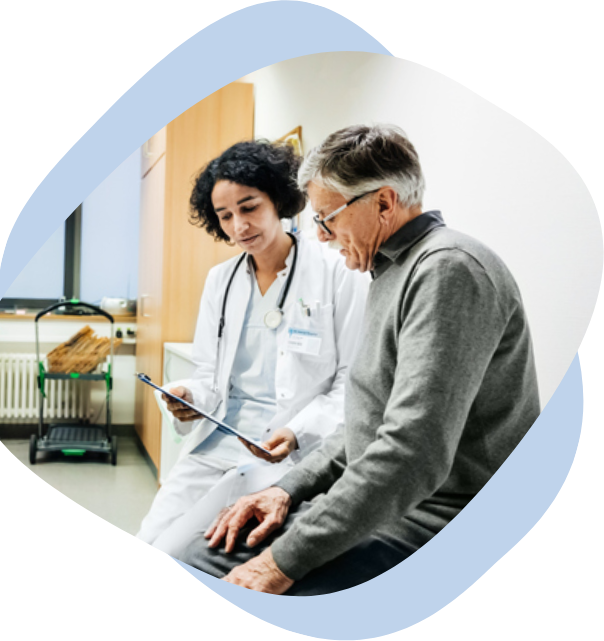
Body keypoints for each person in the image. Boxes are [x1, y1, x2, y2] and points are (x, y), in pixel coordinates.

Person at [179, 124, 541, 596]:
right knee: (202, 551)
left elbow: (412, 453)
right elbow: (363, 422)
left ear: (384, 203)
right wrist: (287, 490)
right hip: (390, 500)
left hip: (443, 513)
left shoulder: (447, 271)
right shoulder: (392, 271)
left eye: (328, 219)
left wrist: (281, 563)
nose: (322, 236)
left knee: (219, 571)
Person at [135, 140, 369, 557]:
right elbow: (209, 374)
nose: (239, 226)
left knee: (190, 547)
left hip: (287, 453)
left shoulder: (335, 273)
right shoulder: (220, 281)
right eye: (225, 216)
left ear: (278, 199)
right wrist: (189, 395)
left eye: (249, 207)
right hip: (216, 442)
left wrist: (297, 432)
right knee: (153, 533)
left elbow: (352, 381)